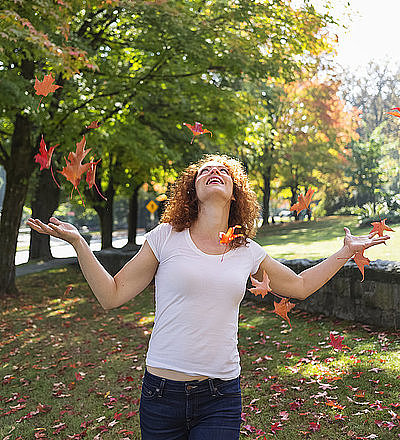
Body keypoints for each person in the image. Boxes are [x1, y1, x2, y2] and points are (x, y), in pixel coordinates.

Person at [27, 154, 388, 440]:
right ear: (191, 191)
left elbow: (299, 285)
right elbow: (112, 295)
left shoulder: (247, 250)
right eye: (204, 172)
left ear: (235, 193)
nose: (214, 172)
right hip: (161, 395)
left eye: (223, 172)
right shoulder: (166, 237)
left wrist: (346, 252)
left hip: (220, 396)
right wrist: (79, 244)